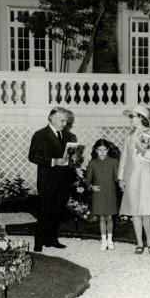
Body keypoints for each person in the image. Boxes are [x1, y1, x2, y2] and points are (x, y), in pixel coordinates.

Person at [28, 106, 77, 252]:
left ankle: (52, 239)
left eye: (66, 122)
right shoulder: (40, 135)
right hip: (47, 180)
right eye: (62, 121)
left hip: (63, 180)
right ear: (52, 118)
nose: (65, 124)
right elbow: (33, 156)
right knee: (45, 211)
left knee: (57, 211)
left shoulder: (69, 137)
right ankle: (39, 241)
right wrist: (53, 161)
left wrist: (74, 158)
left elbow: (70, 159)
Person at [118, 106, 150, 254]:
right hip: (131, 176)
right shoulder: (128, 135)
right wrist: (120, 177)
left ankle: (149, 241)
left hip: (146, 174)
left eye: (133, 116)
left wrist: (144, 151)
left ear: (142, 118)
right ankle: (138, 242)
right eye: (130, 117)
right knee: (134, 211)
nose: (131, 119)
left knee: (146, 210)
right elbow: (124, 157)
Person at [85, 139, 120, 251]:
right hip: (98, 193)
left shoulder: (114, 161)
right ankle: (103, 241)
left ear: (108, 150)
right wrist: (91, 187)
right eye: (100, 150)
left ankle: (110, 240)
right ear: (96, 150)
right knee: (101, 217)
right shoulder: (92, 163)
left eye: (104, 150)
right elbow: (87, 179)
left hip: (110, 193)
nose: (102, 152)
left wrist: (122, 181)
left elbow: (117, 177)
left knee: (110, 217)